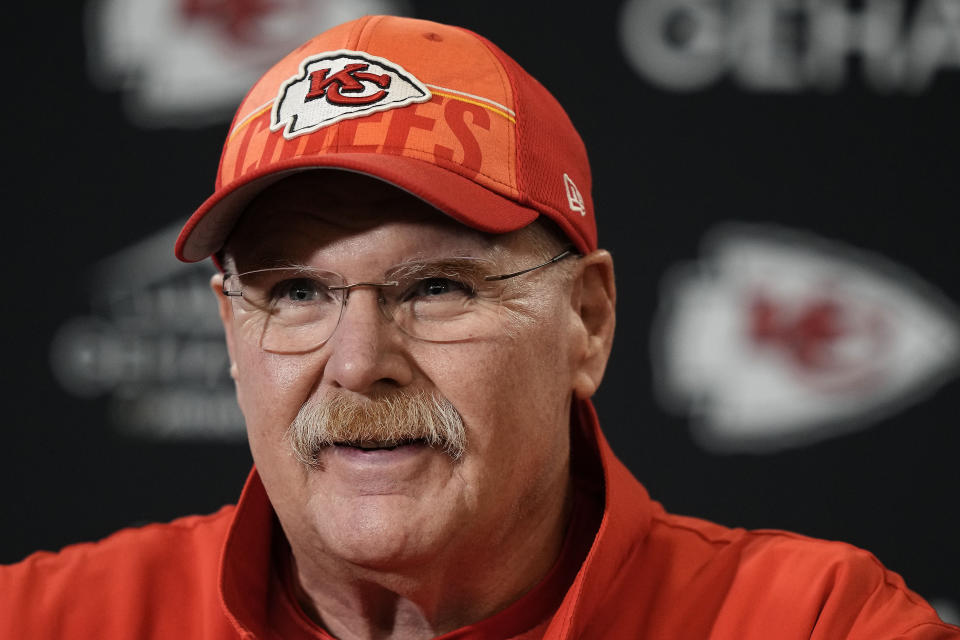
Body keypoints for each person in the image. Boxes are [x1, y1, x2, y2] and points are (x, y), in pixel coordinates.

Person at [2, 14, 957, 640]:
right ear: (228, 328)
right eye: (296, 292)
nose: (360, 363)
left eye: (436, 289)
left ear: (586, 321)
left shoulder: (814, 624)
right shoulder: (48, 620)